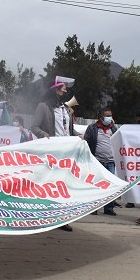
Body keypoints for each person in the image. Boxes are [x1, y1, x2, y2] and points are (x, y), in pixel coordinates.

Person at [31, 78, 80, 231]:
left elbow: (68, 129)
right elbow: (34, 126)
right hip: (52, 151)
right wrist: (43, 134)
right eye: (63, 88)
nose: (65, 91)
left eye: (66, 89)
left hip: (66, 151)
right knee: (49, 184)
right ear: (55, 90)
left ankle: (61, 219)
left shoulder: (66, 108)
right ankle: (44, 216)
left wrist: (77, 136)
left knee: (64, 185)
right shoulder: (43, 107)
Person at [84, 107, 118, 216]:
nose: (109, 118)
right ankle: (94, 207)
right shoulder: (92, 128)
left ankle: (109, 208)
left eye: (110, 115)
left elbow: (118, 141)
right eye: (107, 115)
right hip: (97, 161)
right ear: (100, 117)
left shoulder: (113, 129)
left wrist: (114, 126)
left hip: (111, 162)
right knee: (96, 185)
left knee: (110, 186)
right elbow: (86, 142)